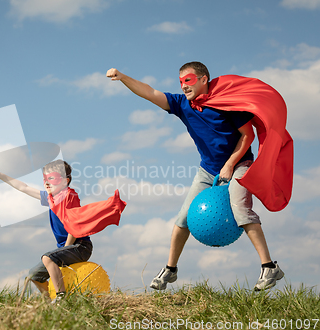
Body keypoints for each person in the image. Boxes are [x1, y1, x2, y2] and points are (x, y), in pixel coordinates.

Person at [106, 61, 288, 291]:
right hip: (207, 169)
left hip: (240, 163)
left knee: (240, 208)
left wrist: (231, 164)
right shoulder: (183, 104)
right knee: (183, 219)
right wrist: (123, 77)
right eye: (181, 82)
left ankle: (269, 266)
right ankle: (170, 270)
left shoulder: (226, 103)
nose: (183, 86)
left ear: (204, 80)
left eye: (188, 80)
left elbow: (247, 136)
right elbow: (150, 92)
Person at [0, 160, 93, 303]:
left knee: (47, 257)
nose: (47, 182)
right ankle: (50, 303)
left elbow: (74, 226)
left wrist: (65, 249)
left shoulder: (69, 197)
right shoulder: (50, 198)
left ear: (65, 181)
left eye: (52, 178)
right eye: (45, 178)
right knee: (34, 275)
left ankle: (61, 297)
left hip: (80, 247)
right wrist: (1, 176)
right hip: (66, 248)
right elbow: (23, 187)